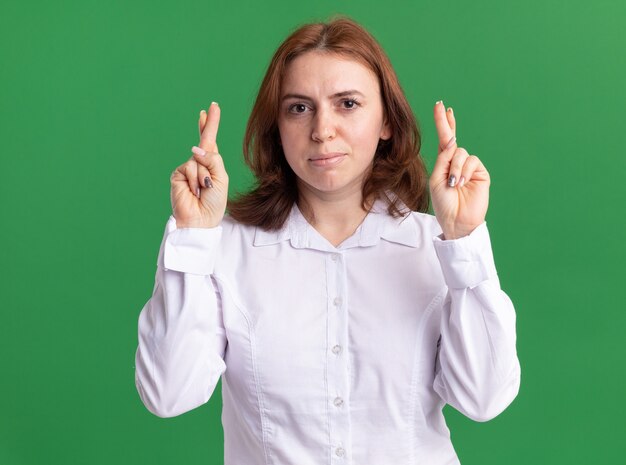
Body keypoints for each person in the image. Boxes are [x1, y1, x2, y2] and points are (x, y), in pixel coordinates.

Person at [134, 16, 520, 465]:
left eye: (348, 104)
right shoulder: (224, 250)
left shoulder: (437, 246)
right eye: (299, 107)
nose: (322, 129)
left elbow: (484, 398)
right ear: (276, 127)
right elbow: (167, 393)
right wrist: (194, 237)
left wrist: (463, 238)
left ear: (386, 122)